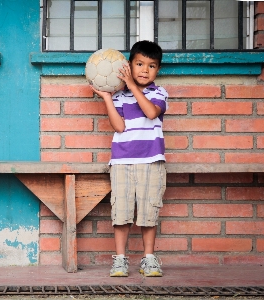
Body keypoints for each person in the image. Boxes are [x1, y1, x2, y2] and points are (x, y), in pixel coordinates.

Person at [90, 40, 168, 277]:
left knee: (148, 213)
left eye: (151, 66)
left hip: (151, 161)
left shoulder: (158, 93)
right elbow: (119, 127)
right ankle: (121, 260)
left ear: (158, 70)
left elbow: (151, 112)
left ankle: (149, 259)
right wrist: (106, 98)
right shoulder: (119, 98)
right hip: (122, 162)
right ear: (129, 66)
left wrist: (133, 86)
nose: (145, 70)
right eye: (140, 64)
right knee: (121, 212)